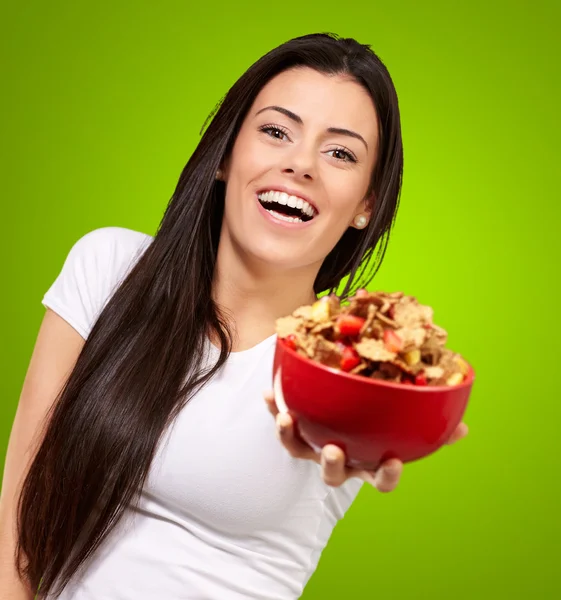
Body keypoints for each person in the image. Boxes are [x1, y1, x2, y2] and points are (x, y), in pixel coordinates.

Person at [0, 33, 468, 600]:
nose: (300, 164)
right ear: (226, 154)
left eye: (340, 152)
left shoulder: (346, 370)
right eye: (276, 131)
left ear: (366, 204)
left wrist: (373, 439)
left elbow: (356, 450)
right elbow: (20, 507)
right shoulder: (110, 269)